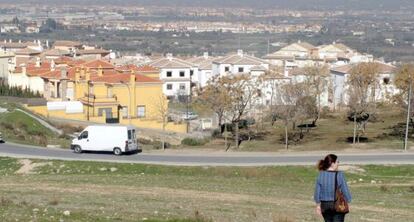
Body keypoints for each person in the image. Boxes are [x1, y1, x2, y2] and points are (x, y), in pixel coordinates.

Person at [314, 154, 352, 222]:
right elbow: (345, 190)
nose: (338, 164)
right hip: (337, 204)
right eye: (337, 162)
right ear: (332, 163)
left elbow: (317, 193)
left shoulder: (320, 175)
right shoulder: (340, 174)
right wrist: (348, 201)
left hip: (324, 206)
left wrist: (318, 206)